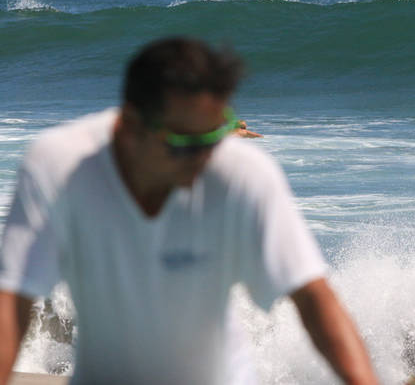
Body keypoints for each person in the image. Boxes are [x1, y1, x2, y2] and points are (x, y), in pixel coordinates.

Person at [0, 38, 381, 385]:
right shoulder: (58, 168)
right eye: (187, 144)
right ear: (130, 125)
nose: (204, 160)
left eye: (214, 138)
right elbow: (12, 301)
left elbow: (313, 297)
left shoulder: (241, 173)